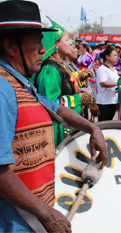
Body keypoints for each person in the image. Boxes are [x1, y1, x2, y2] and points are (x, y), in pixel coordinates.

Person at [0, 0, 108, 233]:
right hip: (8, 220)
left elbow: (55, 108)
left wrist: (93, 129)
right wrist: (46, 214)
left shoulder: (20, 84)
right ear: (11, 47)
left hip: (29, 215)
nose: (44, 50)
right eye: (36, 45)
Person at [35, 17, 87, 146]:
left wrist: (77, 91)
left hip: (67, 125)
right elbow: (49, 103)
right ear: (55, 45)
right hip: (58, 130)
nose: (71, 43)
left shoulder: (60, 65)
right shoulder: (50, 70)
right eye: (67, 39)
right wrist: (79, 98)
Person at [96, 47, 119, 121]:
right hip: (104, 102)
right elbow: (103, 83)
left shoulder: (113, 69)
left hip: (112, 101)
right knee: (103, 124)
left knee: (109, 123)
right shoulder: (102, 69)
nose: (116, 57)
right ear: (107, 56)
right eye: (114, 55)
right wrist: (118, 83)